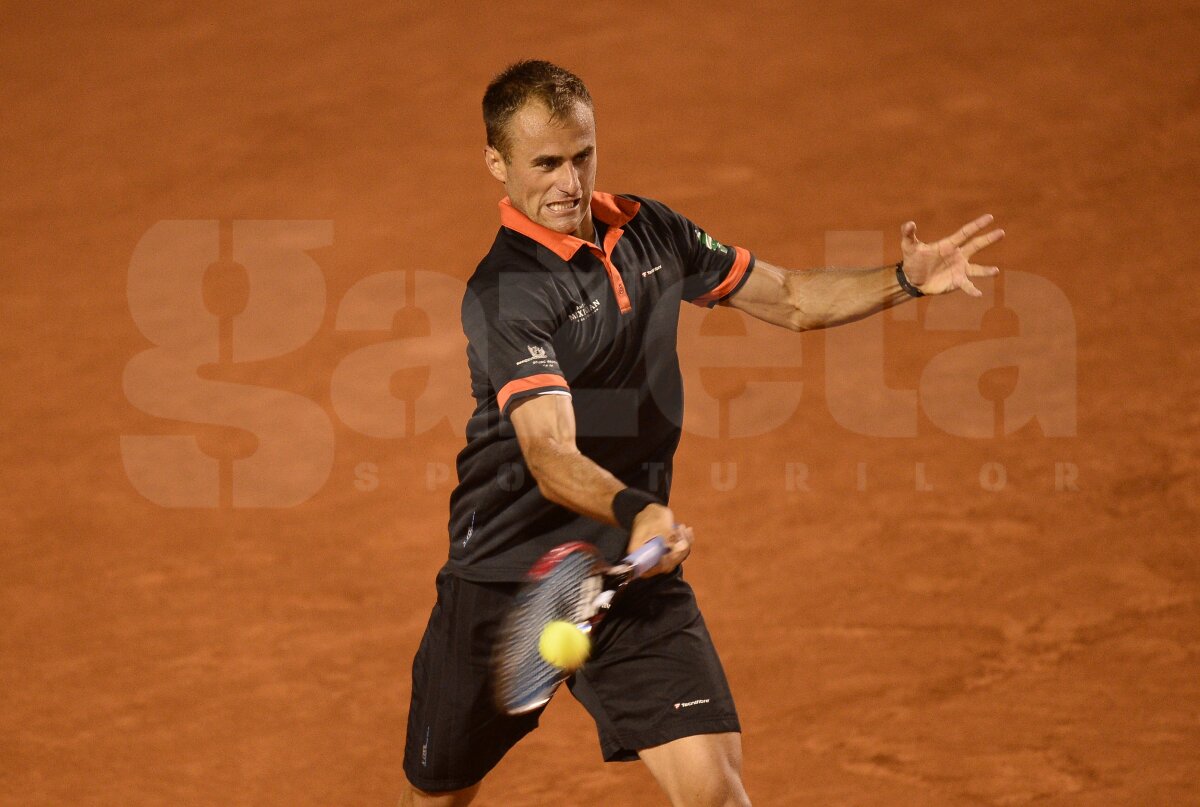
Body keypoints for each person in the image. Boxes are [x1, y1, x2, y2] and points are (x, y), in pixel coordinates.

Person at [400, 60, 1003, 807]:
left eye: (582, 155)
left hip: (629, 573)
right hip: (505, 579)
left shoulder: (651, 230)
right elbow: (549, 453)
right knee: (438, 799)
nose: (570, 183)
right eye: (546, 163)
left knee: (715, 791)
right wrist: (638, 508)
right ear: (497, 163)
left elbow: (791, 298)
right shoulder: (507, 291)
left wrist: (904, 280)